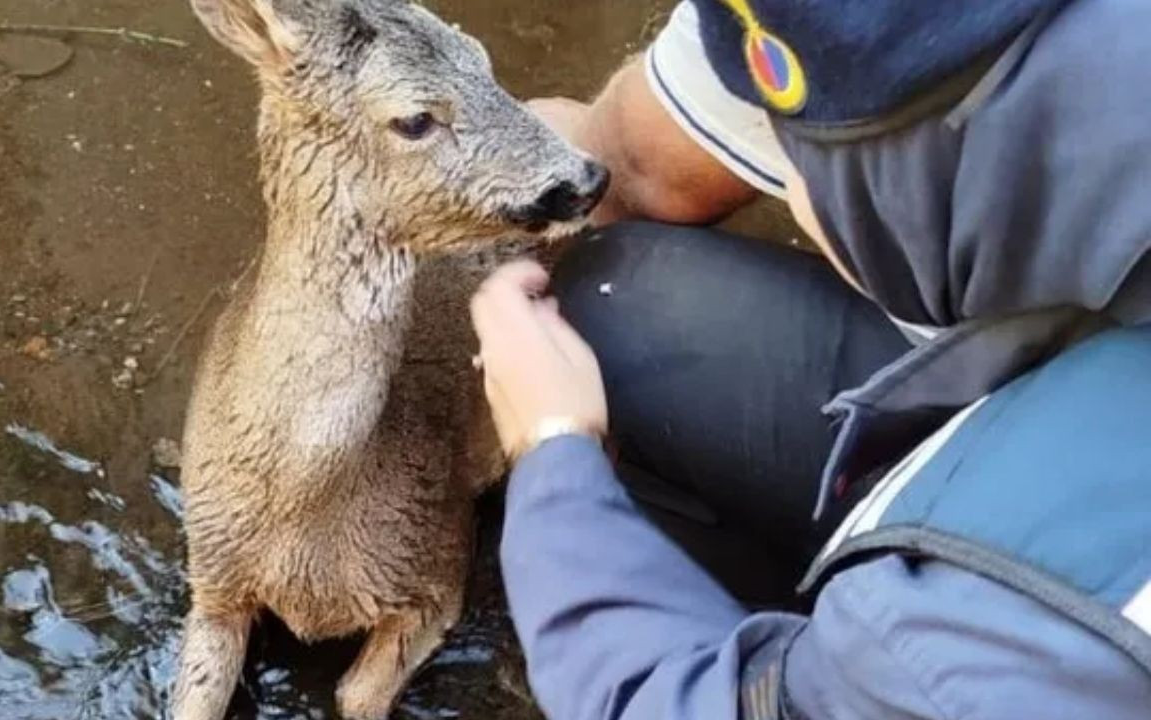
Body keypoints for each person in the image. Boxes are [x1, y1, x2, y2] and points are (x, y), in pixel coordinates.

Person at [469, 1, 1151, 719]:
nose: (790, 190)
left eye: (802, 164)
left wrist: (555, 458)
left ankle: (798, 659)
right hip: (1066, 417)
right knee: (620, 308)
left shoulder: (979, 645)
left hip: (1047, 608)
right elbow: (633, 160)